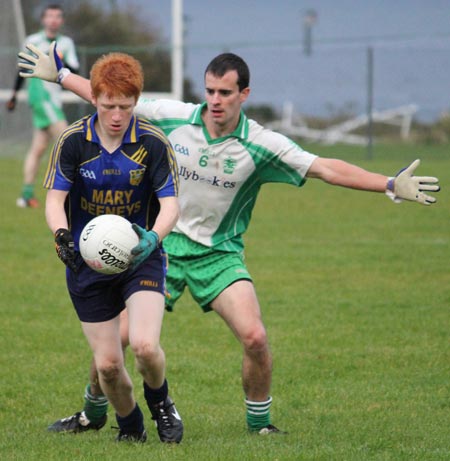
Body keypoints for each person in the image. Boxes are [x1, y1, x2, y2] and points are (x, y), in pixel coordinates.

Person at [18, 44, 440, 435]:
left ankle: (260, 425)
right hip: (158, 245)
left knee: (254, 336)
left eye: (224, 92)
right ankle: (92, 414)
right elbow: (112, 99)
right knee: (117, 344)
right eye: (210, 91)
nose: (215, 100)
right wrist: (61, 75)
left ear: (244, 94)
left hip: (219, 255)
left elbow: (324, 168)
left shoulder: (261, 144)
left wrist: (387, 183)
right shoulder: (171, 116)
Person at [41, 51, 183, 444]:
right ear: (95, 100)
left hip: (141, 258)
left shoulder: (153, 143)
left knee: (144, 346)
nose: (117, 114)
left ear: (135, 102)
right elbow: (55, 200)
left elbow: (171, 204)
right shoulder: (73, 141)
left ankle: (162, 403)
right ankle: (132, 426)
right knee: (106, 366)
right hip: (87, 263)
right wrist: (61, 236)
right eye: (108, 105)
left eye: (125, 106)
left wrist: (153, 238)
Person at [7, 4, 79, 208]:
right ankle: (77, 194)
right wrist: (13, 94)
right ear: (43, 20)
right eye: (50, 16)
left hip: (54, 100)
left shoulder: (66, 43)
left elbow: (75, 69)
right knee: (69, 141)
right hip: (40, 98)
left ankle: (26, 195)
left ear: (61, 21)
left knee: (38, 149)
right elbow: (23, 68)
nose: (54, 20)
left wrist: (61, 61)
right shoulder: (33, 41)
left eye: (58, 16)